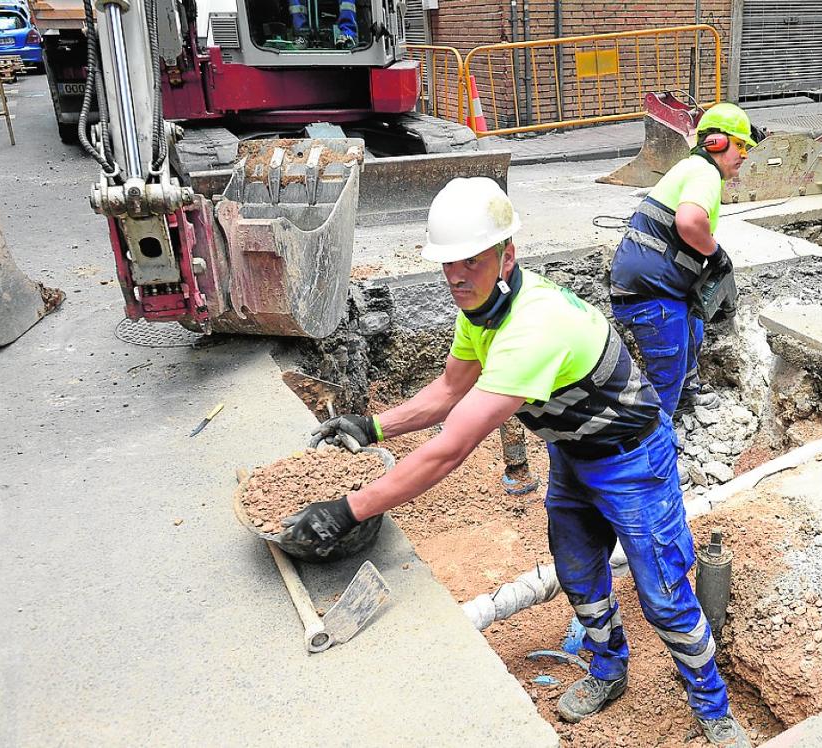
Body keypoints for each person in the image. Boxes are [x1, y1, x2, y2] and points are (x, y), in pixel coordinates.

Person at [279, 177, 751, 747]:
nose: (456, 277)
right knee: (579, 574)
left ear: (507, 255)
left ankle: (713, 706)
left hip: (633, 464)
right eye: (448, 263)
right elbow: (449, 391)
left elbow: (452, 448)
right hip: (574, 455)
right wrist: (372, 425)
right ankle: (607, 668)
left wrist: (349, 510)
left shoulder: (533, 327)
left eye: (470, 262)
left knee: (664, 596)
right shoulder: (482, 309)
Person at [608, 102, 758, 417]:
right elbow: (690, 222)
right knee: (667, 371)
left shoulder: (694, 169)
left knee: (693, 327)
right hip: (650, 294)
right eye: (740, 145)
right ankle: (656, 438)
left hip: (656, 287)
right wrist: (715, 253)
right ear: (716, 142)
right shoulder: (704, 173)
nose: (744, 155)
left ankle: (687, 393)